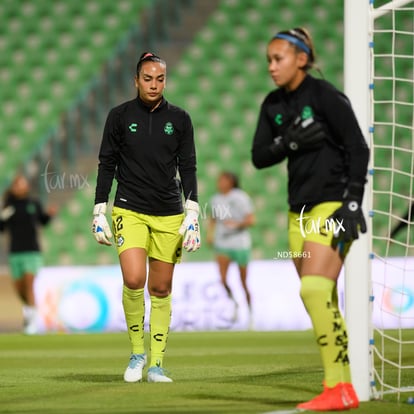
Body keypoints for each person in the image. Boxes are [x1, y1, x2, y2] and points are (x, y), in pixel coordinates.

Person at [251, 28, 369, 411]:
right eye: (269, 59)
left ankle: (339, 388)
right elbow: (259, 156)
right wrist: (291, 142)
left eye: (278, 58)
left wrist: (352, 200)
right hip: (296, 214)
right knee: (322, 298)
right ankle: (339, 385)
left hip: (331, 206)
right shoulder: (272, 104)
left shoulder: (325, 96)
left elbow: (357, 146)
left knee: (314, 291)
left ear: (301, 59)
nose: (271, 66)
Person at [92, 52, 200, 383]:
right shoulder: (119, 116)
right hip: (129, 207)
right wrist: (99, 208)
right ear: (136, 81)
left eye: (160, 79)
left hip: (169, 212)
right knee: (135, 279)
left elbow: (188, 165)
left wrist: (193, 209)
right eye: (148, 78)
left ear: (165, 80)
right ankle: (137, 353)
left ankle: (156, 364)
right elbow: (106, 163)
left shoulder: (180, 119)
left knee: (161, 287)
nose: (154, 84)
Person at [0, 174, 56, 334]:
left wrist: (50, 215)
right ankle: (29, 311)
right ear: (13, 188)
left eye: (22, 184)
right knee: (19, 289)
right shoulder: (8, 206)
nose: (20, 187)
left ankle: (32, 323)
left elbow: (42, 221)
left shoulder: (34, 204)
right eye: (17, 184)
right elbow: (2, 227)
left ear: (27, 187)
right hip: (15, 252)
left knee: (29, 283)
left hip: (32, 252)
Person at [207, 171, 255, 326]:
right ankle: (233, 302)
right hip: (222, 244)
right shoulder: (215, 199)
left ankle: (250, 313)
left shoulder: (240, 197)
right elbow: (213, 219)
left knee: (243, 282)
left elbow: (251, 219)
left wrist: (237, 224)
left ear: (231, 182)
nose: (219, 183)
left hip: (240, 243)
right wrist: (210, 234)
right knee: (222, 279)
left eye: (223, 180)